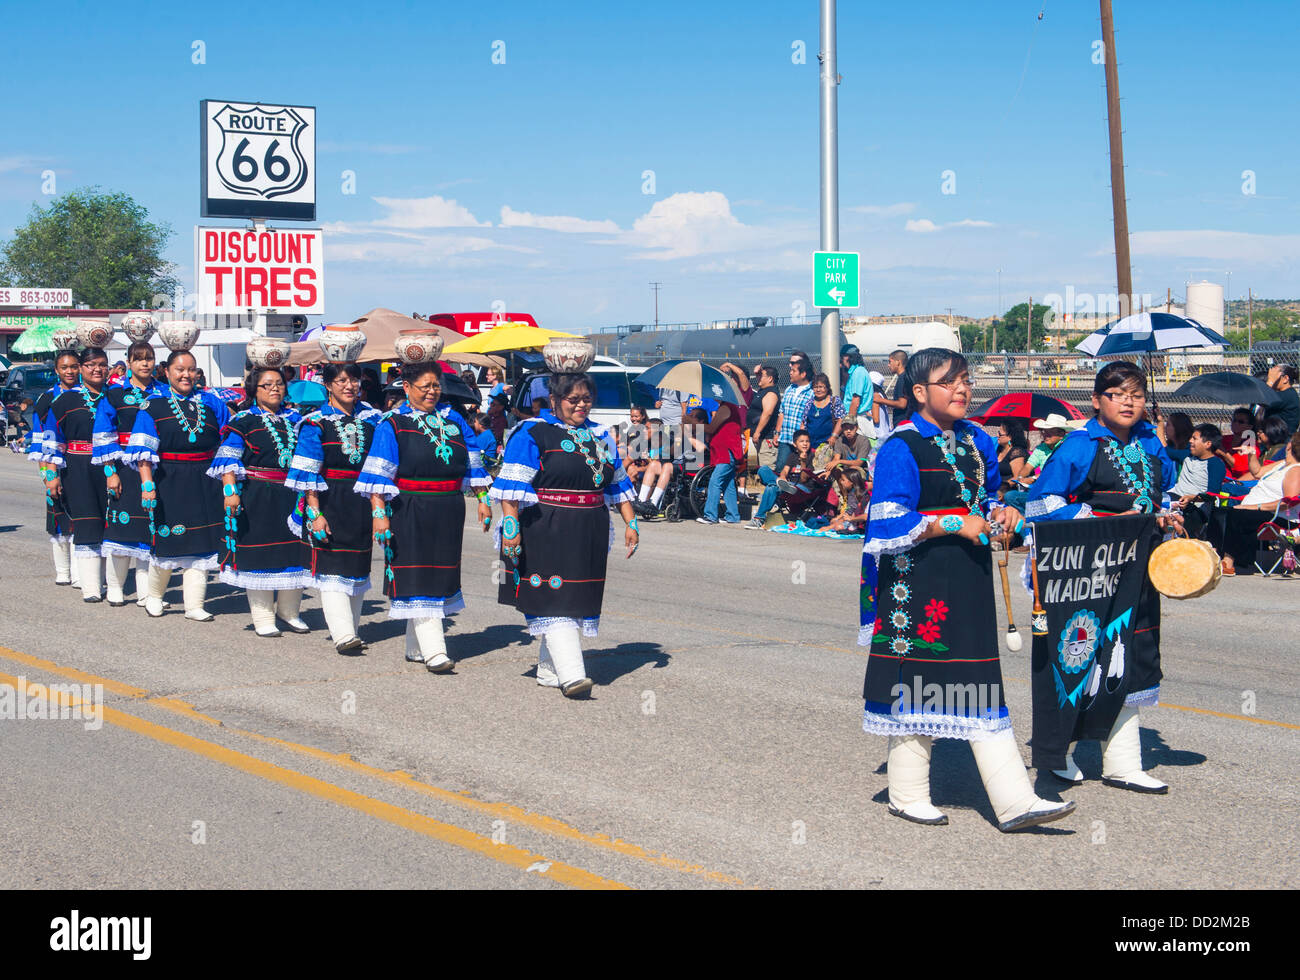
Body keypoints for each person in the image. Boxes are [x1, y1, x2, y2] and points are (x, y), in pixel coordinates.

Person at [860, 348, 1071, 831]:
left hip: (970, 579)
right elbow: (886, 520)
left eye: (965, 380)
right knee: (915, 682)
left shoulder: (976, 439)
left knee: (977, 680)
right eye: (949, 382)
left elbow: (987, 498)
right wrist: (955, 522)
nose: (962, 389)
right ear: (919, 393)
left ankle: (1013, 800)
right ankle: (911, 794)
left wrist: (1003, 514)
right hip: (917, 584)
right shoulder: (901, 447)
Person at [1026, 360, 1180, 793]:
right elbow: (1040, 503)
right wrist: (1098, 517)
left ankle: (1123, 762)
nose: (1129, 402)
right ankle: (1056, 756)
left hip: (1139, 567)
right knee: (1080, 655)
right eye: (1118, 394)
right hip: (1087, 569)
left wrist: (1165, 514)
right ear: (1097, 401)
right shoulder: (1080, 444)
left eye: (1137, 394)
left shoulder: (1152, 441)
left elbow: (1161, 490)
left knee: (1129, 653)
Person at [492, 343, 639, 698]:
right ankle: (573, 675)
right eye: (572, 399)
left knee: (573, 600)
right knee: (553, 598)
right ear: (555, 399)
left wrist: (631, 524)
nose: (580, 404)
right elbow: (511, 489)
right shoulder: (531, 432)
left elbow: (617, 483)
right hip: (545, 526)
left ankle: (547, 670)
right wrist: (510, 529)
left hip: (588, 529)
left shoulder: (601, 435)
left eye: (586, 398)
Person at [359, 358, 492, 672]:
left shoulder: (454, 420)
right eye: (424, 386)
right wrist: (379, 513)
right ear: (406, 388)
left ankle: (415, 648)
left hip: (449, 507)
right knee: (417, 574)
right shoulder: (391, 424)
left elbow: (474, 463)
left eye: (436, 386)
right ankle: (435, 652)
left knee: (438, 574)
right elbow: (378, 475)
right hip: (409, 507)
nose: (432, 392)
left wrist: (483, 499)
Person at [126, 347, 232, 621]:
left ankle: (194, 605)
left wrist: (228, 482)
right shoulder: (153, 405)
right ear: (167, 372)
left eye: (191, 370)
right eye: (179, 370)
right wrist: (147, 484)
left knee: (203, 541)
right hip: (168, 479)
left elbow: (227, 440)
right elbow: (143, 451)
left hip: (205, 479)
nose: (186, 375)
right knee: (168, 540)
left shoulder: (213, 403)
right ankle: (154, 596)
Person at [208, 362, 312, 638]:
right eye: (268, 384)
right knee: (260, 554)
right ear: (255, 390)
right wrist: (230, 493)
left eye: (279, 384)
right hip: (257, 493)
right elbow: (228, 459)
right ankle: (263, 617)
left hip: (292, 493)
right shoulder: (243, 421)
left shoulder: (296, 420)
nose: (275, 389)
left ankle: (289, 612)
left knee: (295, 553)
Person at [286, 362, 383, 653]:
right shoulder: (315, 423)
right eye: (341, 380)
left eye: (354, 380)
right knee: (330, 567)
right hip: (329, 498)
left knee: (356, 565)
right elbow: (308, 472)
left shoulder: (373, 419)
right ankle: (342, 635)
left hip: (362, 498)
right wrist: (314, 513)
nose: (349, 386)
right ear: (328, 385)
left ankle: (351, 630)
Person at [93, 340, 168, 606]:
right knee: (122, 528)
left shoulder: (165, 393)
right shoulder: (113, 394)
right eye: (139, 359)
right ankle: (115, 586)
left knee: (151, 529)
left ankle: (146, 591)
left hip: (158, 468)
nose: (145, 363)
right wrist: (110, 472)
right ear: (129, 362)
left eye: (149, 358)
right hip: (124, 467)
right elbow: (103, 435)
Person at [40, 347, 113, 602]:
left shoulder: (117, 396)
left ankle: (111, 583)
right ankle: (90, 586)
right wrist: (52, 475)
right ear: (82, 368)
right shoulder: (64, 401)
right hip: (77, 466)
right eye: (91, 364)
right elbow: (52, 440)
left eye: (102, 364)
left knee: (112, 522)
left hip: (113, 466)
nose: (97, 369)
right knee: (87, 521)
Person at [1215, 431, 1300, 575]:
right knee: (1219, 510)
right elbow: (1257, 472)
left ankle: (1229, 562)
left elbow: (1288, 502)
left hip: (1279, 517)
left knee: (1238, 515)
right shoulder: (1282, 464)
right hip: (1259, 511)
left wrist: (1254, 507)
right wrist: (1251, 453)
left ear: (1290, 446)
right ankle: (1214, 553)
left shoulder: (1295, 470)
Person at [31, 347, 82, 587]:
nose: (70, 371)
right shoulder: (47, 399)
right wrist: (48, 474)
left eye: (74, 366)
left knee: (84, 517)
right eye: (65, 367)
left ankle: (83, 573)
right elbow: (40, 441)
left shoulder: (90, 395)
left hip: (82, 463)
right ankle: (63, 570)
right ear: (56, 370)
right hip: (54, 462)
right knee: (60, 517)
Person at [697, 385, 744, 525]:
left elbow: (711, 428)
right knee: (728, 484)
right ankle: (733, 515)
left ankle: (711, 515)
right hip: (722, 452)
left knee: (715, 481)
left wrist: (692, 423)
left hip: (727, 452)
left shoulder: (726, 407)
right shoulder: (724, 407)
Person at [1172, 423, 1226, 540]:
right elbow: (1163, 449)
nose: (1190, 441)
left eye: (1194, 438)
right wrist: (1160, 422)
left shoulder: (1216, 464)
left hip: (1196, 507)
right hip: (1174, 497)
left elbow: (1212, 495)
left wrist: (1191, 498)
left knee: (1179, 524)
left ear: (1208, 444)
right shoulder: (1187, 456)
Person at [773, 352, 814, 471]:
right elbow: (782, 412)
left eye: (794, 371)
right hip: (785, 437)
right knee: (781, 468)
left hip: (801, 441)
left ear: (803, 374)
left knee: (799, 469)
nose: (790, 372)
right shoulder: (789, 389)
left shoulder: (811, 392)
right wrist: (777, 432)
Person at [744, 363, 781, 484]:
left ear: (770, 378)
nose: (758, 378)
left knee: (767, 470)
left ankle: (775, 497)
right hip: (759, 438)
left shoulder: (771, 393)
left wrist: (758, 431)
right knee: (761, 471)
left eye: (762, 376)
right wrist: (757, 372)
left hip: (766, 438)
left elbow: (767, 413)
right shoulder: (762, 390)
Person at [871, 349, 909, 440]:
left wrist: (880, 400)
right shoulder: (902, 377)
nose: (888, 365)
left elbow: (902, 404)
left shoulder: (903, 379)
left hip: (903, 424)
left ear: (898, 362)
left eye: (890, 362)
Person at [805, 373, 846, 450]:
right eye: (815, 387)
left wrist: (834, 436)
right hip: (810, 445)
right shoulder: (809, 403)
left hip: (827, 445)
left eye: (821, 387)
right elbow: (804, 422)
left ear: (827, 388)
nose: (818, 390)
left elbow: (841, 419)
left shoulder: (834, 401)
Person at [840, 344, 873, 423]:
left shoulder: (858, 372)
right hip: (856, 416)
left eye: (842, 357)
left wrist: (849, 423)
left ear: (848, 357)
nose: (841, 360)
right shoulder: (855, 372)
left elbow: (855, 401)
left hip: (858, 418)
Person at [995, 420, 1031, 492]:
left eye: (1000, 434)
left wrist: (1000, 488)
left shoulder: (1017, 452)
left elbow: (1017, 478)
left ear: (1010, 437)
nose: (997, 436)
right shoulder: (999, 450)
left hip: (1008, 491)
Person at [1265, 364, 1299, 435]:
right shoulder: (1285, 393)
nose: (1270, 377)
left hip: (1283, 442)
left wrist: (1270, 381)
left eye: (1274, 375)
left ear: (1285, 379)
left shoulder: (1287, 395)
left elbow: (1262, 400)